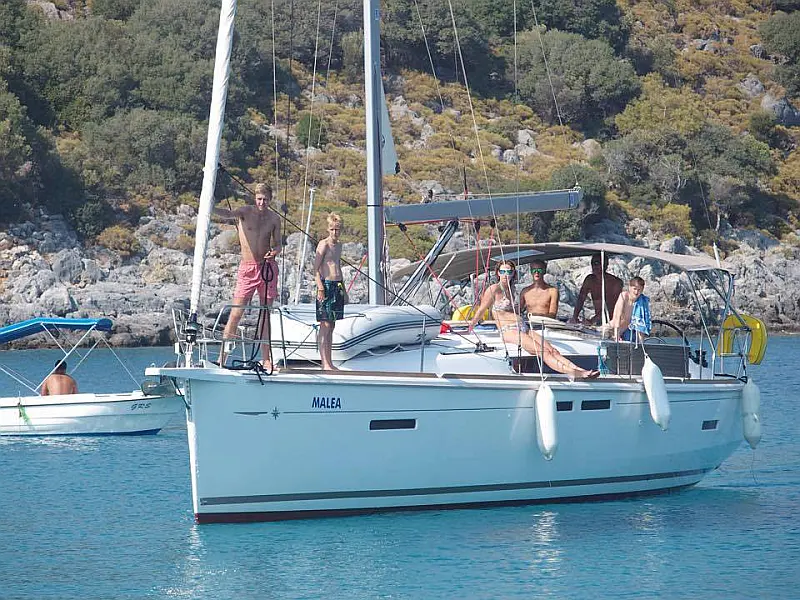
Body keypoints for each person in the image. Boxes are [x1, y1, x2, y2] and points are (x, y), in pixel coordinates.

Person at [469, 261, 599, 379]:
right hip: (509, 331)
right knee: (542, 352)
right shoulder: (493, 289)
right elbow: (481, 310)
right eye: (502, 271)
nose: (505, 275)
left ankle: (580, 369)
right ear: (498, 273)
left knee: (552, 350)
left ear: (513, 273)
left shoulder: (512, 289)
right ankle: (575, 373)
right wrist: (470, 326)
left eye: (509, 271)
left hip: (523, 327)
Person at [214, 182, 282, 370]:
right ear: (255, 198)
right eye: (259, 199)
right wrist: (210, 206)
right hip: (247, 268)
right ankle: (223, 358)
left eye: (266, 200)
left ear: (270, 200)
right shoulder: (245, 212)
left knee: (265, 314)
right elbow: (228, 215)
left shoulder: (274, 219)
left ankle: (266, 359)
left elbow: (278, 244)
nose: (262, 203)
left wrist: (274, 252)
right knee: (236, 312)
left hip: (267, 268)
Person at [315, 212, 345, 371]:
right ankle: (324, 362)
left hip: (337, 285)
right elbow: (315, 269)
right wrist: (320, 287)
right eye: (332, 229)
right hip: (325, 285)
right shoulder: (323, 244)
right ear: (328, 229)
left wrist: (344, 290)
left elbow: (338, 266)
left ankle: (330, 361)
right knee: (325, 324)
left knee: (332, 325)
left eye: (337, 229)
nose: (335, 232)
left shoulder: (339, 246)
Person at [570, 252, 623, 325]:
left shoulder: (616, 283)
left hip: (613, 320)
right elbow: (581, 299)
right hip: (598, 320)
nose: (594, 266)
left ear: (605, 265)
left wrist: (592, 321)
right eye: (593, 263)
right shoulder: (590, 280)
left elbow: (611, 307)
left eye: (597, 263)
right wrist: (574, 317)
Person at [610, 276, 652, 342]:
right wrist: (616, 335)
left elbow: (641, 324)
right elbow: (617, 317)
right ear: (629, 287)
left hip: (628, 332)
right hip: (613, 330)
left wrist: (641, 343)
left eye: (639, 290)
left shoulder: (642, 301)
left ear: (642, 289)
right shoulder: (623, 296)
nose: (636, 292)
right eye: (634, 289)